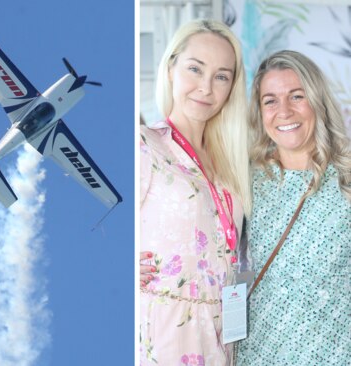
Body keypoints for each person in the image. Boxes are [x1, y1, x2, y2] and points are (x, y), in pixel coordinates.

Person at [138, 19, 252, 365]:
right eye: (194, 69)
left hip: (223, 330)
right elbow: (91, 218)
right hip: (167, 329)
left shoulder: (230, 164)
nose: (206, 88)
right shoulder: (144, 145)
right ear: (170, 68)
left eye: (221, 76)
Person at [235, 50, 351, 365]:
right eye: (270, 100)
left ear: (318, 101)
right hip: (259, 352)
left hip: (334, 353)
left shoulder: (346, 179)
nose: (283, 111)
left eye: (296, 96)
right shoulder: (243, 179)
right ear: (259, 112)